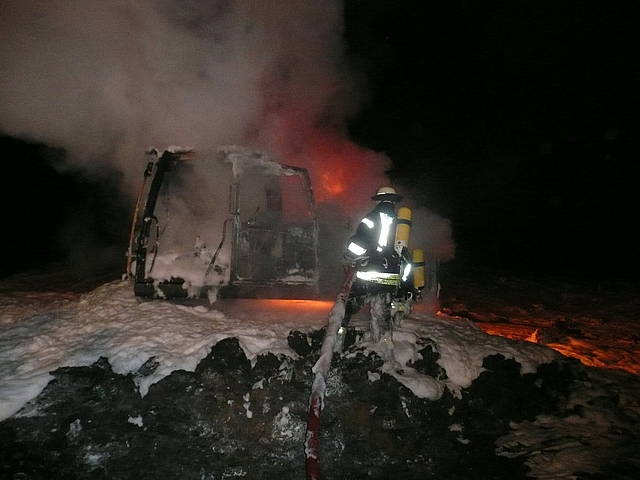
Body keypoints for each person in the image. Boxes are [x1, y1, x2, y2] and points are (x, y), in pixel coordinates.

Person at [340, 186, 408, 348]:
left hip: (369, 274)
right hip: (390, 277)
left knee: (349, 307)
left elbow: (359, 243)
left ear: (378, 200)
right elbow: (404, 254)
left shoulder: (371, 219)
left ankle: (339, 336)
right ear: (394, 202)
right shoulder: (401, 224)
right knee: (383, 314)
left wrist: (348, 256)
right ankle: (384, 345)